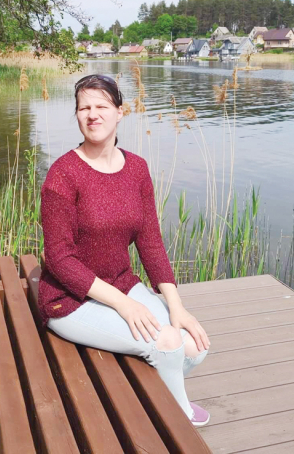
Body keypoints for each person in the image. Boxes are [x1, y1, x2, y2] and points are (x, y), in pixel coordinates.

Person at [39, 74, 211, 427]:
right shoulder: (63, 175)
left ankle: (148, 393)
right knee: (165, 342)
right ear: (76, 116)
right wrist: (123, 304)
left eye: (102, 106)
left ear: (120, 112)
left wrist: (176, 307)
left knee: (194, 345)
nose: (92, 114)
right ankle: (177, 423)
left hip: (121, 283)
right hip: (70, 300)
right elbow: (58, 259)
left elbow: (150, 241)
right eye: (84, 107)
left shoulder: (136, 169)